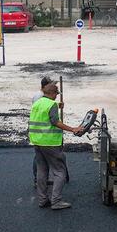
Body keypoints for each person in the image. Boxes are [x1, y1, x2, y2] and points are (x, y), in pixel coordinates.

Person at [29, 76, 88, 210]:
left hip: (37, 141)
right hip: (50, 142)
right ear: (52, 93)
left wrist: (57, 105)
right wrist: (73, 129)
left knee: (42, 170)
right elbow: (55, 122)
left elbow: (44, 113)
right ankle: (56, 201)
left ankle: (43, 200)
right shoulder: (51, 105)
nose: (57, 96)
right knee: (59, 171)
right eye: (56, 94)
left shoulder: (37, 103)